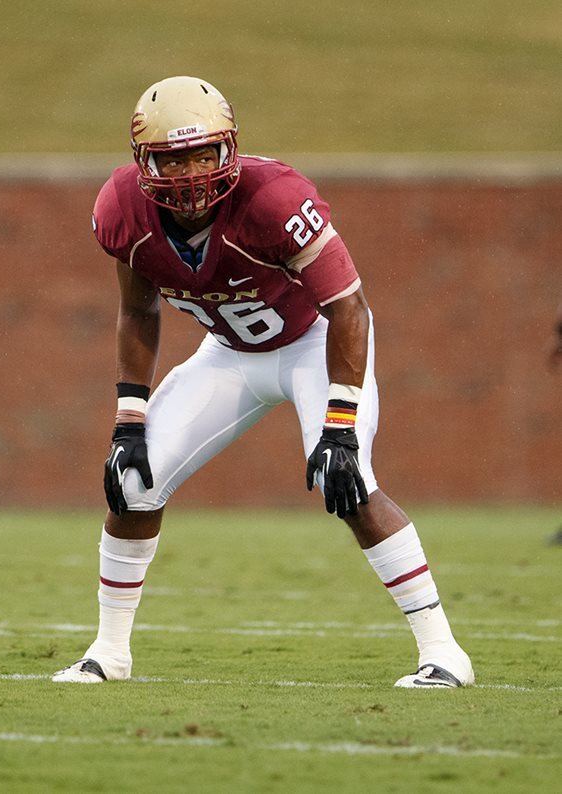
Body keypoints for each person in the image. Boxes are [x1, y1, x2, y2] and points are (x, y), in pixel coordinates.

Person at [52, 76, 474, 688]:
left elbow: (348, 308)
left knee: (348, 482)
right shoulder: (124, 210)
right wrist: (129, 417)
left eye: (203, 153)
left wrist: (340, 423)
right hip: (229, 354)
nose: (192, 174)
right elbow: (138, 309)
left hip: (313, 344)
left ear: (229, 148)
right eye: (174, 158)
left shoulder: (274, 198)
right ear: (144, 161)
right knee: (133, 484)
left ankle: (444, 653)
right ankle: (109, 653)